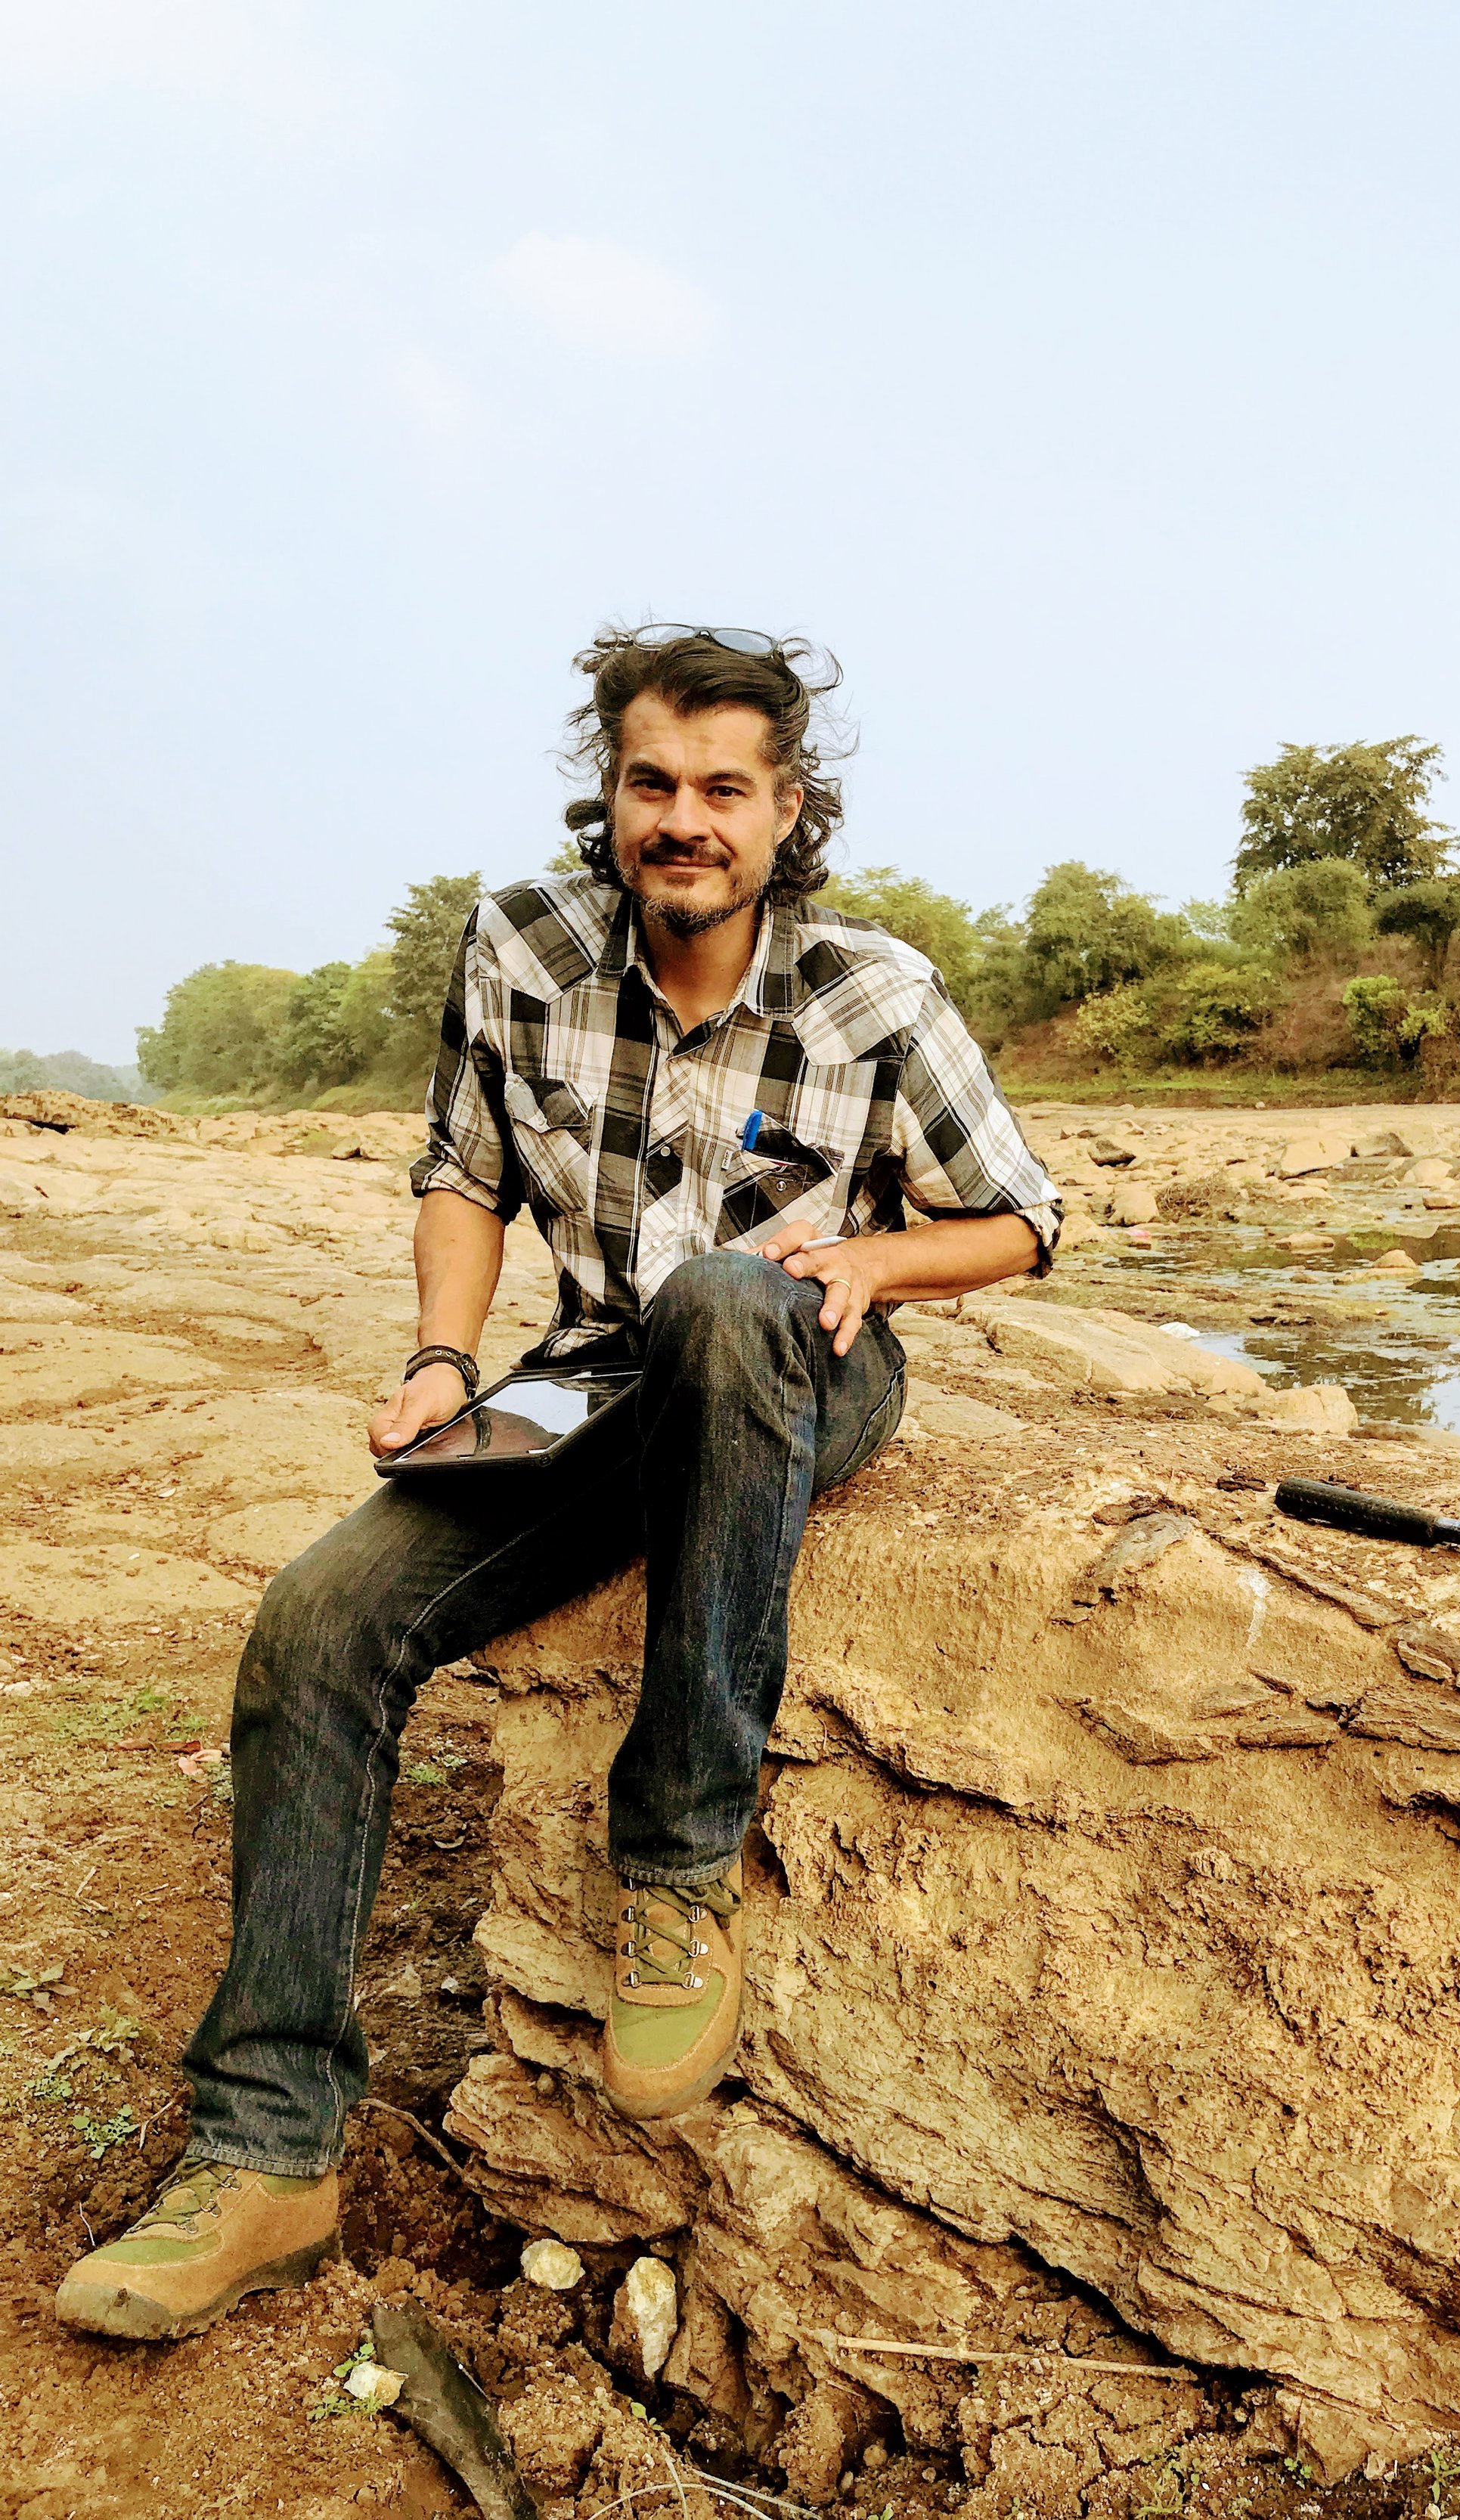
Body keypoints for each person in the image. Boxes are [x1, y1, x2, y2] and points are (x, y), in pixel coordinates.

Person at [56, 625, 1061, 2342]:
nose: (685, 818)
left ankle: (673, 1871)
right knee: (317, 1630)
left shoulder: (874, 990)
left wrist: (878, 1265)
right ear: (608, 792)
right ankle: (268, 2150)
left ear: (783, 809)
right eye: (651, 781)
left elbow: (1025, 1220)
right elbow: (463, 1166)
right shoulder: (519, 944)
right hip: (587, 1374)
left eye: (722, 789)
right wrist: (445, 1360)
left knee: (730, 1297)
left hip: (801, 1359)